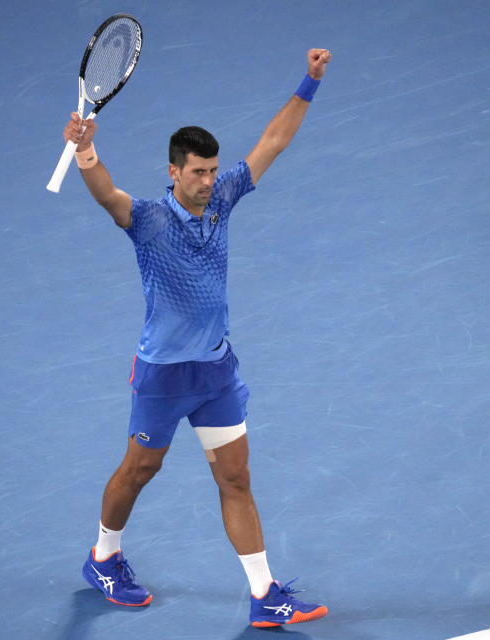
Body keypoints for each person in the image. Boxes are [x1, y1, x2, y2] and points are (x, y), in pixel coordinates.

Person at [62, 48, 332, 628]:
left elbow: (272, 142)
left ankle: (265, 594)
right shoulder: (149, 221)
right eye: (197, 173)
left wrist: (308, 82)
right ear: (173, 173)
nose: (209, 181)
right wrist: (85, 149)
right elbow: (109, 194)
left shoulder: (225, 196)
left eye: (212, 171)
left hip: (214, 372)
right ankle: (103, 557)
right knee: (138, 470)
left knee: (235, 476)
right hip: (162, 376)